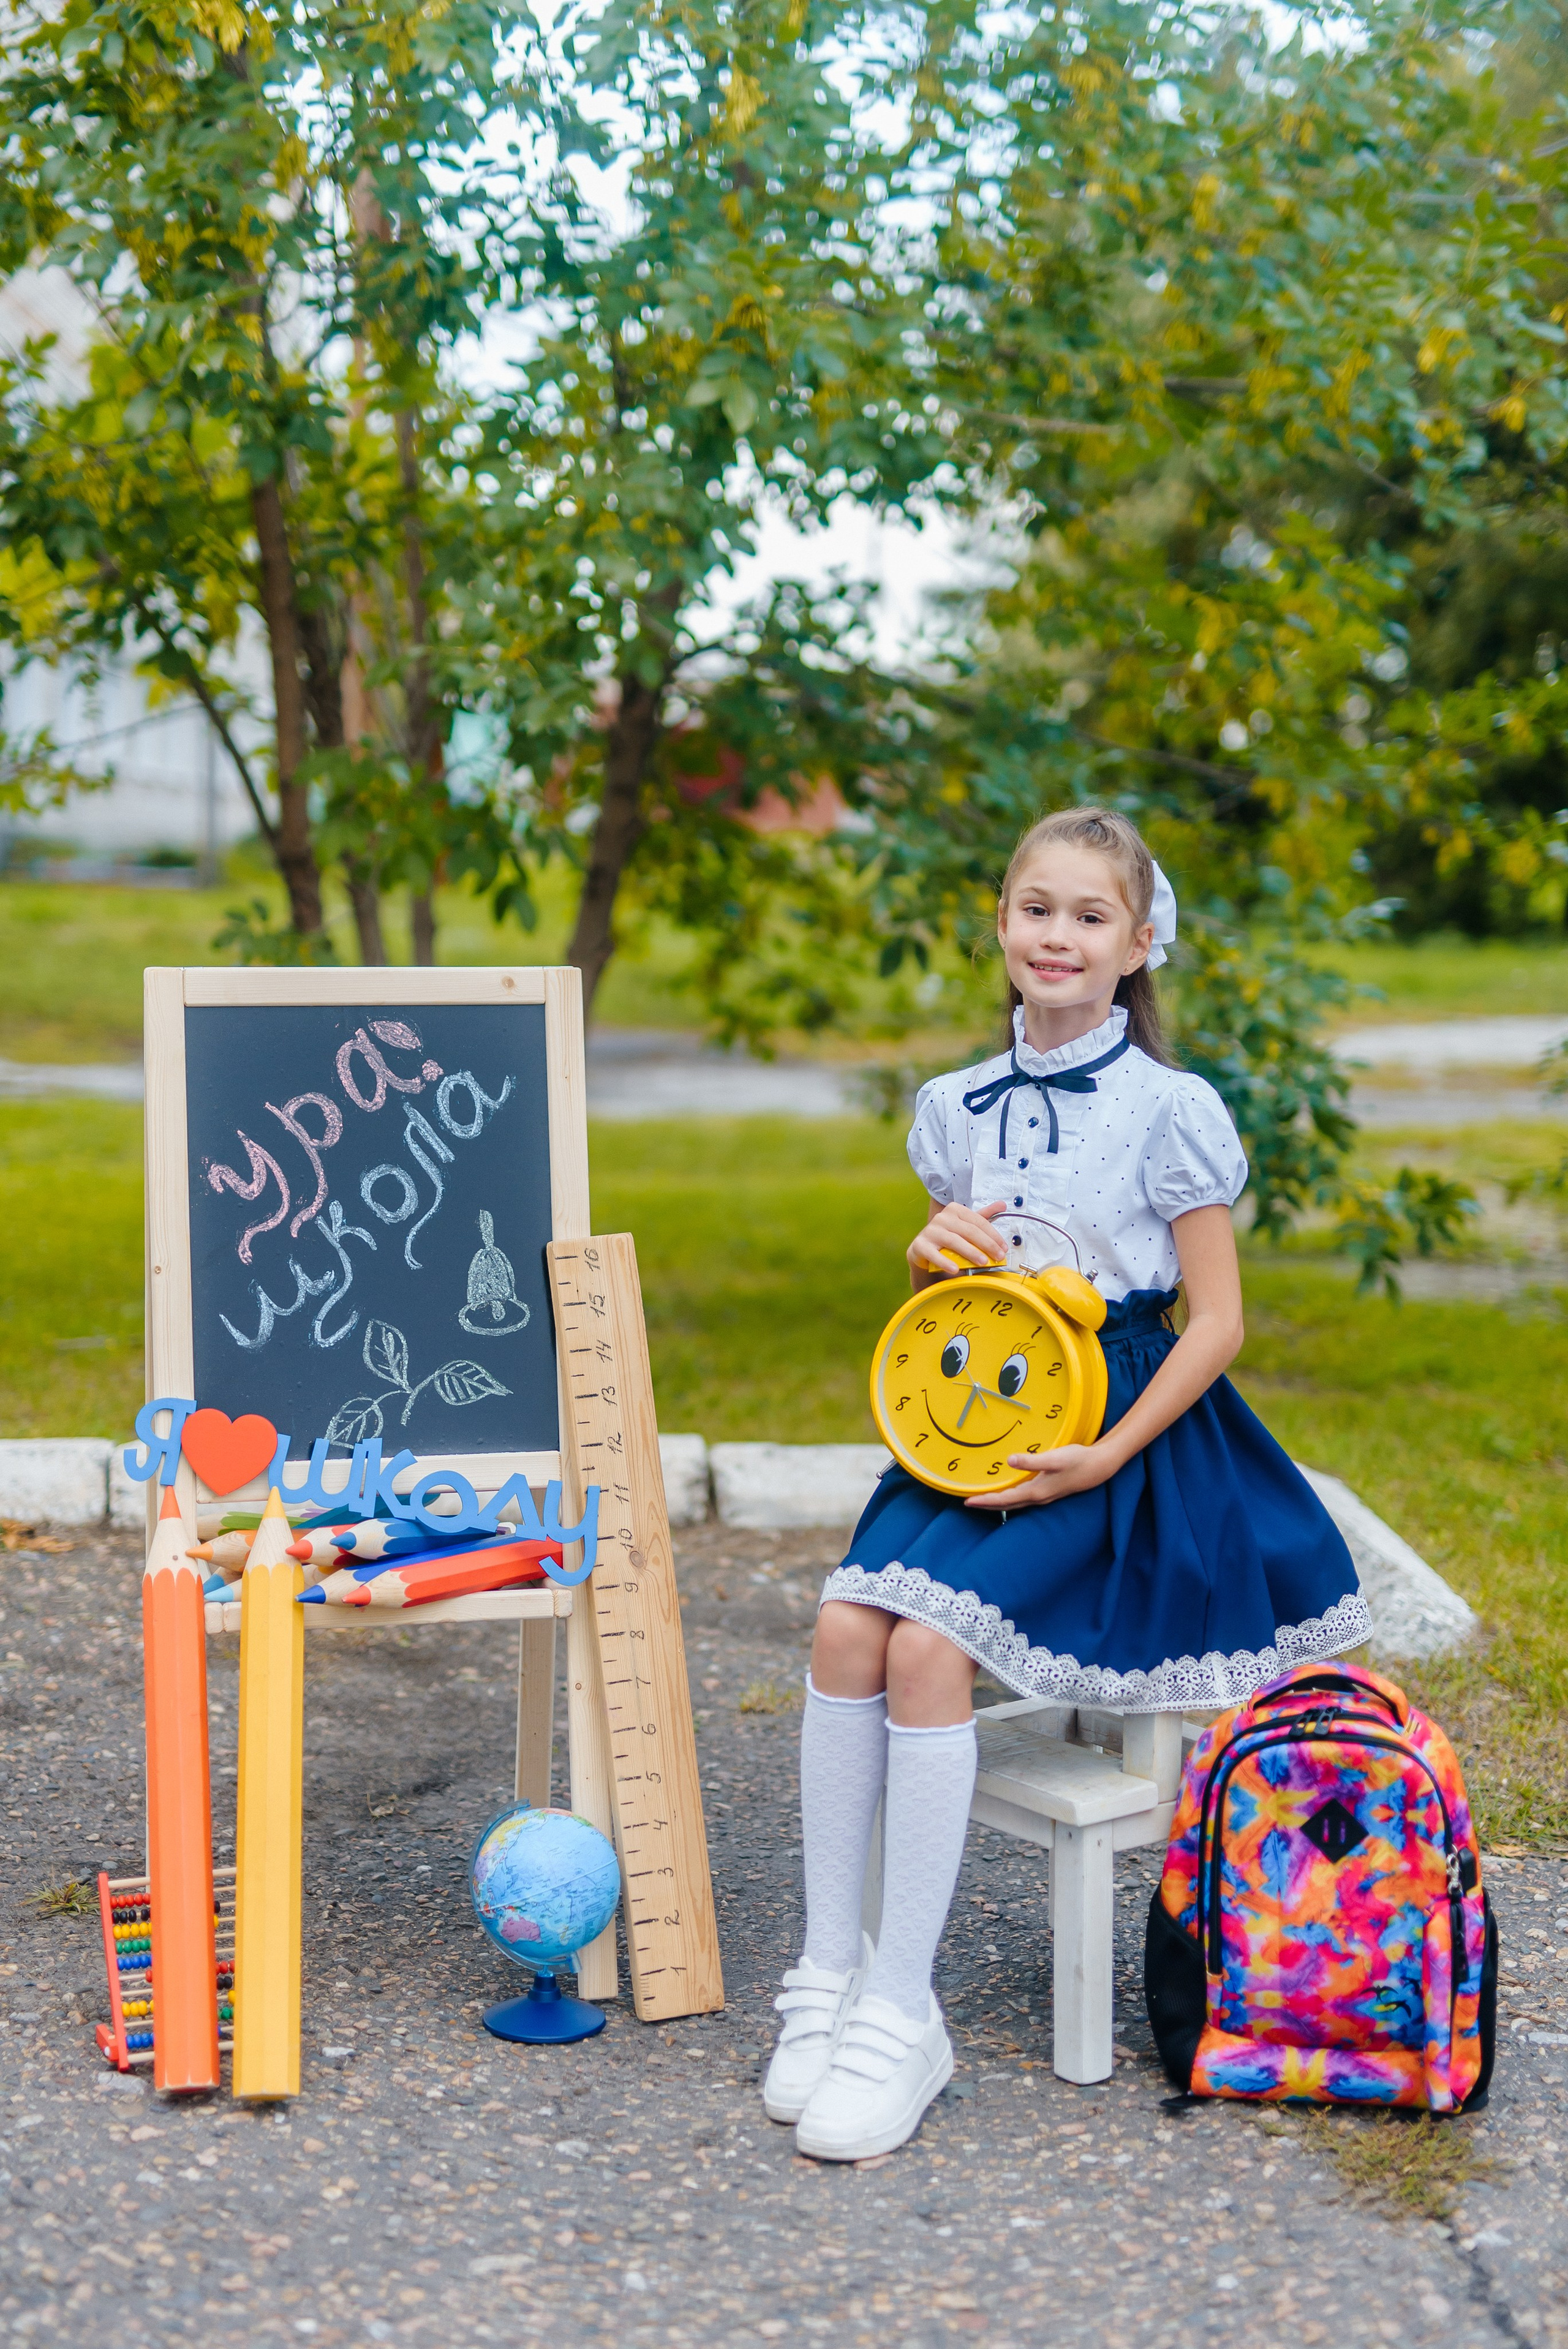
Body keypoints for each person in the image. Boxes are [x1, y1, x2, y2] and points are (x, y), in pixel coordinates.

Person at [764, 804, 1367, 2163]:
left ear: (1136, 941)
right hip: (982, 1426)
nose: (1059, 934)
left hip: (1127, 1453)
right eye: (1036, 907)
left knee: (923, 1647)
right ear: (999, 922)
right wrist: (933, 1259)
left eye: (1090, 916)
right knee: (840, 1626)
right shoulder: (955, 1106)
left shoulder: (1170, 1110)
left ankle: (904, 2009)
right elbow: (969, 1310)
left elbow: (1213, 1321)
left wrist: (1105, 1449)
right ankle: (823, 1977)